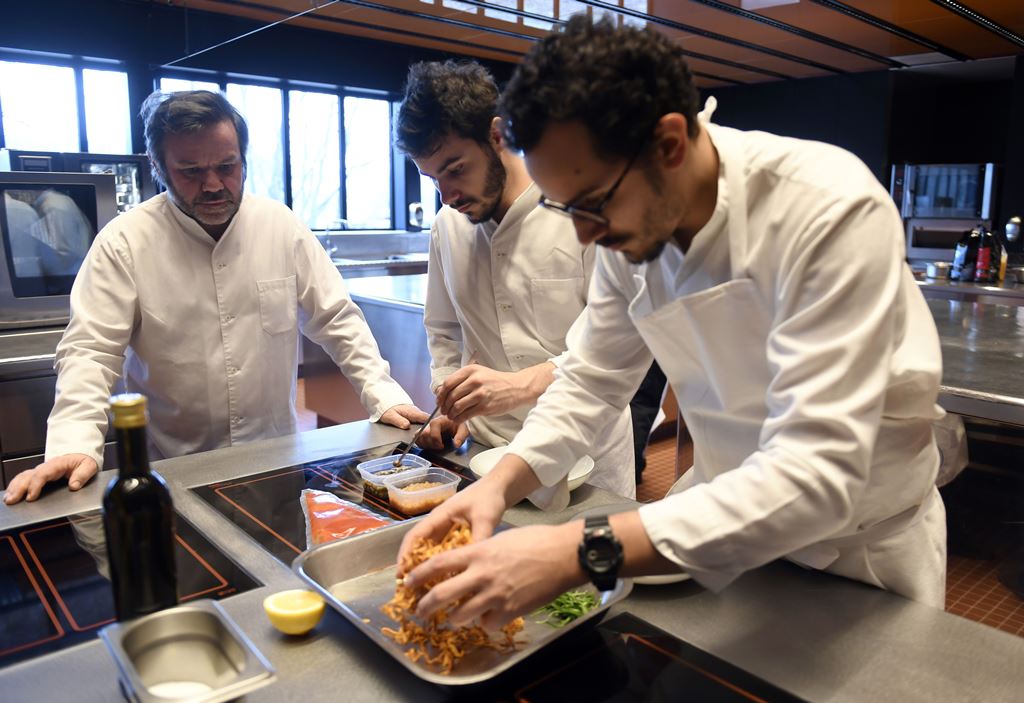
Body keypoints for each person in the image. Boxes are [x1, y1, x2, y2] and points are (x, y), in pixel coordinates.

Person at [398, 16, 948, 630]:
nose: (584, 235)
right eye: (564, 207)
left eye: (593, 204)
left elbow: (817, 475)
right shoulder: (625, 230)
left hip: (863, 550)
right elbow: (591, 378)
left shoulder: (826, 208)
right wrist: (497, 485)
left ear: (669, 144)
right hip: (714, 523)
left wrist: (576, 550)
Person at [3, 90, 427, 505]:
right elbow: (91, 353)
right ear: (158, 167)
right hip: (176, 468)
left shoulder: (280, 226)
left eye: (227, 166)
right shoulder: (125, 243)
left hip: (276, 458)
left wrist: (382, 393)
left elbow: (336, 318)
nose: (212, 185)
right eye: (190, 171)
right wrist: (73, 442)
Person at [394, 60, 635, 501]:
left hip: (588, 457)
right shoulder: (447, 225)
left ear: (497, 135)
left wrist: (520, 385)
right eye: (432, 180)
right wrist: (450, 400)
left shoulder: (582, 209)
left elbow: (613, 342)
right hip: (487, 454)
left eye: (455, 169)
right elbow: (444, 329)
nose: (447, 196)